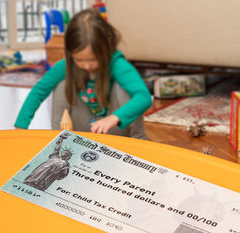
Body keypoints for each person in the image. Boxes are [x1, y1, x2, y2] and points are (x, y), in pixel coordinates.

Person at [14, 8, 152, 138]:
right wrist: (20, 127)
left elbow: (144, 97)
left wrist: (114, 118)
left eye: (93, 59)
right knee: (62, 84)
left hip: (115, 128)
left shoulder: (117, 64)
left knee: (125, 89)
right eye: (79, 60)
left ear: (106, 47)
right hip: (84, 127)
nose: (86, 65)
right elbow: (39, 91)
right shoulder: (66, 65)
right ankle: (59, 139)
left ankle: (138, 140)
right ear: (70, 53)